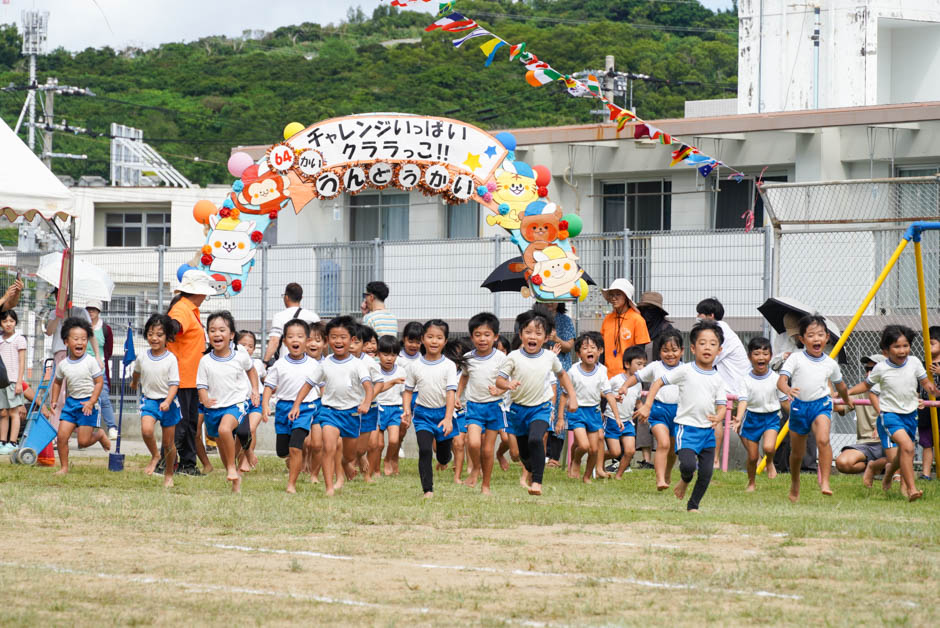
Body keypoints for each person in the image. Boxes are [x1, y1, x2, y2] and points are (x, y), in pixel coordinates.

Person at [636, 320, 727, 512]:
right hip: (686, 429)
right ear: (693, 348)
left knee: (706, 473)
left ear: (719, 350)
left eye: (712, 344)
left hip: (707, 433)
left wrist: (719, 417)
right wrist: (647, 405)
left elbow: (722, 405)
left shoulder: (718, 378)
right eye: (702, 343)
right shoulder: (685, 370)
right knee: (687, 466)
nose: (707, 347)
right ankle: (685, 479)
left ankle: (693, 505)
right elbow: (658, 382)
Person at [849, 325, 939, 502]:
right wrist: (845, 393)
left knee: (901, 455)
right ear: (886, 350)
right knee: (908, 448)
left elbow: (925, 381)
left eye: (905, 346)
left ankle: (884, 472)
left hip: (910, 415)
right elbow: (866, 387)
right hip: (890, 415)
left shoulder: (914, 362)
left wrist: (931, 389)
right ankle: (911, 489)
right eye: (897, 347)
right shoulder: (881, 368)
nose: (902, 350)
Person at [496, 310, 577, 496]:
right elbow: (499, 381)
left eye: (538, 333)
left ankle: (537, 483)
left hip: (541, 408)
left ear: (546, 337)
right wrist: (507, 384)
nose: (533, 336)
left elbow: (562, 375)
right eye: (528, 332)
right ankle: (532, 468)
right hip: (517, 410)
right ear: (521, 334)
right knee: (523, 454)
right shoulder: (513, 357)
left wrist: (572, 396)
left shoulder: (550, 357)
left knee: (536, 439)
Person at [293, 316, 374, 496]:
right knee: (328, 447)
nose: (338, 341)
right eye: (334, 337)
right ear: (328, 340)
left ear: (352, 340)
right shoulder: (324, 364)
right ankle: (329, 487)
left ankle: (345, 464)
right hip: (329, 411)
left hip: (352, 413)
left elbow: (368, 387)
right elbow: (307, 385)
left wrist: (366, 402)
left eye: (343, 337)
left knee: (350, 455)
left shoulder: (358, 364)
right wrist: (296, 405)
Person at [778, 314, 853, 502]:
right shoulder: (795, 359)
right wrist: (788, 389)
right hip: (799, 408)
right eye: (811, 335)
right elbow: (781, 381)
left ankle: (825, 482)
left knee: (823, 440)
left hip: (821, 405)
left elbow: (841, 385)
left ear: (827, 337)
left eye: (820, 334)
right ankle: (795, 483)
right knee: (797, 453)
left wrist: (847, 400)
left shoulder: (830, 363)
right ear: (802, 339)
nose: (816, 339)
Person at [196, 311, 259, 493]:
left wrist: (255, 390)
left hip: (236, 403)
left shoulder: (240, 356)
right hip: (214, 408)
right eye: (212, 330)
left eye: (222, 330)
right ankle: (234, 478)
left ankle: (233, 467)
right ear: (208, 335)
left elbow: (251, 371)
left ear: (231, 335)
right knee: (223, 447)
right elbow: (201, 384)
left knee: (225, 429)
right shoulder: (205, 361)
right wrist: (204, 398)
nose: (217, 334)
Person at [162, 269, 214, 477]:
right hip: (181, 378)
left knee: (189, 425)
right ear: (198, 292)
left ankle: (187, 465)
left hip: (191, 378)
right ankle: (166, 464)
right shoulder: (182, 308)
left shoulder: (190, 309)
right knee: (182, 426)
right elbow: (173, 326)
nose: (206, 296)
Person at [618, 328, 684, 490]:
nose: (670, 354)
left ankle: (667, 472)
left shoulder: (686, 369)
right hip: (659, 411)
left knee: (672, 449)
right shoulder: (655, 367)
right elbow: (637, 377)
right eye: (665, 351)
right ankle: (660, 479)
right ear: (659, 352)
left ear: (682, 351)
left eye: (674, 350)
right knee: (663, 443)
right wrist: (625, 386)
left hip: (679, 413)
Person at [45, 317, 111, 474]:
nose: (80, 342)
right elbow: (57, 382)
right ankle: (64, 468)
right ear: (66, 342)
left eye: (83, 339)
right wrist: (53, 401)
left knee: (83, 442)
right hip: (71, 404)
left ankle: (100, 435)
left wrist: (91, 401)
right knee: (61, 437)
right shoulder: (63, 364)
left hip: (88, 404)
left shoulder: (91, 361)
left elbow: (99, 383)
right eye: (75, 339)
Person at [265, 318, 322, 494]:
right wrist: (265, 405)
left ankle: (292, 484)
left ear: (307, 340)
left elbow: (322, 385)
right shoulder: (280, 364)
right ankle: (294, 462)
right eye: (290, 337)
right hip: (283, 408)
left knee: (296, 446)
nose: (295, 340)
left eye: (300, 336)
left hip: (306, 408)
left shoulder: (314, 364)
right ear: (284, 342)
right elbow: (269, 386)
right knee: (283, 451)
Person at [402, 319, 457, 498]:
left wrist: (448, 418)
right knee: (425, 450)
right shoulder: (415, 366)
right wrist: (406, 410)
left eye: (439, 337)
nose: (434, 341)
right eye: (430, 337)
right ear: (423, 339)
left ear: (445, 341)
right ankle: (428, 489)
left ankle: (444, 459)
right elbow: (408, 391)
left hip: (443, 414)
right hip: (423, 415)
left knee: (442, 456)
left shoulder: (449, 365)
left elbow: (451, 393)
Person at [696, 297, 749, 468]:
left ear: (711, 316)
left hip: (734, 389)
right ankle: (760, 461)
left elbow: (709, 359)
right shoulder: (721, 331)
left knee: (715, 417)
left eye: (700, 315)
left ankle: (715, 460)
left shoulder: (720, 333)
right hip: (735, 388)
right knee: (740, 428)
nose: (697, 318)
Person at [458, 312, 507, 494]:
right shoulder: (468, 357)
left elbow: (507, 382)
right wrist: (457, 395)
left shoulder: (501, 359)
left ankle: (486, 484)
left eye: (487, 335)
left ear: (495, 337)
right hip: (473, 406)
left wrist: (500, 390)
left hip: (494, 407)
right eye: (477, 335)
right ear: (471, 337)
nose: (482, 339)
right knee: (473, 443)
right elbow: (464, 377)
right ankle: (475, 469)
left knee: (487, 450)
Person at [733, 337, 790, 491]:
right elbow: (743, 401)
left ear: (770, 356)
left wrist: (796, 415)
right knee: (752, 457)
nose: (761, 357)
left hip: (771, 417)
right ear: (749, 357)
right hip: (752, 418)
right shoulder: (745, 380)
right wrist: (738, 418)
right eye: (757, 354)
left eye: (765, 354)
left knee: (769, 447)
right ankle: (751, 482)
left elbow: (784, 401)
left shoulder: (776, 379)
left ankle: (769, 462)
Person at [130, 313, 180, 488]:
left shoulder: (171, 359)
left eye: (159, 334)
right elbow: (136, 371)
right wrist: (134, 382)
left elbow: (174, 385)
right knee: (146, 430)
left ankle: (168, 474)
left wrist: (167, 400)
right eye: (151, 334)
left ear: (167, 336)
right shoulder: (143, 356)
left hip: (169, 403)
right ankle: (154, 455)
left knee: (168, 443)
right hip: (150, 401)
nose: (154, 338)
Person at [562, 332, 620, 483]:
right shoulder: (573, 371)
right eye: (585, 348)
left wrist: (617, 417)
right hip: (577, 411)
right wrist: (561, 417)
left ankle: (587, 476)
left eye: (593, 347)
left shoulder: (602, 371)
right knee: (584, 445)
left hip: (593, 412)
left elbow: (609, 394)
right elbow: (564, 394)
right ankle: (575, 461)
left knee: (594, 449)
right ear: (578, 354)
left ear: (599, 351)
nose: (590, 350)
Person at [835, 355, 887, 488]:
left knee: (902, 449)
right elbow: (839, 408)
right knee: (842, 463)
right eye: (867, 368)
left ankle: (890, 470)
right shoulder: (859, 393)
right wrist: (831, 387)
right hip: (866, 444)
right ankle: (875, 467)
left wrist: (882, 426)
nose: (869, 372)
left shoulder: (892, 391)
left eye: (874, 369)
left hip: (889, 441)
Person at [605, 345, 646, 479]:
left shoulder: (638, 383)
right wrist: (611, 396)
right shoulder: (616, 380)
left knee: (630, 451)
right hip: (612, 419)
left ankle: (618, 476)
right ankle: (597, 460)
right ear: (627, 364)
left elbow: (638, 401)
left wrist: (643, 410)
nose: (642, 368)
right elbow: (602, 391)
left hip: (628, 422)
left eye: (644, 365)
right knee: (614, 452)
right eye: (639, 364)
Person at [351, 324, 383, 482]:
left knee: (362, 447)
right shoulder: (338, 360)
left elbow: (379, 383)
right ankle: (346, 471)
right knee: (344, 443)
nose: (350, 346)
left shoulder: (369, 363)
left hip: (367, 409)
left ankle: (361, 458)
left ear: (363, 344)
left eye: (356, 342)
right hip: (346, 409)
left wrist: (367, 400)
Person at [600, 279, 650, 378]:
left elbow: (640, 354)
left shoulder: (637, 320)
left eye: (618, 294)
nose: (614, 298)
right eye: (611, 295)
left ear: (626, 297)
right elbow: (602, 350)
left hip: (628, 377)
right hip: (607, 375)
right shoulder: (607, 319)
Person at [85, 300, 119, 442]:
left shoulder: (105, 329)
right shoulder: (82, 327)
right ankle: (87, 427)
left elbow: (108, 350)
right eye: (89, 309)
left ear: (99, 311)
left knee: (103, 397)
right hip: (83, 367)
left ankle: (112, 427)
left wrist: (100, 361)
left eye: (94, 309)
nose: (91, 312)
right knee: (84, 397)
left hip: (99, 367)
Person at [263, 282, 320, 364]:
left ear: (286, 297)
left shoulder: (279, 316)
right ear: (301, 297)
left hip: (286, 362)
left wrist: (265, 362)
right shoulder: (313, 317)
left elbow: (274, 341)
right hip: (309, 362)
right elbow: (320, 340)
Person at [375, 335, 406, 476]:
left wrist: (407, 410)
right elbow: (375, 390)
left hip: (395, 409)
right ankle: (375, 468)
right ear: (378, 354)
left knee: (394, 440)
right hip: (378, 409)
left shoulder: (401, 371)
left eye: (393, 355)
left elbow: (405, 392)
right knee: (378, 444)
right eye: (385, 354)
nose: (389, 358)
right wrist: (392, 382)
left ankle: (388, 460)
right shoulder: (374, 370)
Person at [235, 330, 265, 472]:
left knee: (251, 429)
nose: (247, 349)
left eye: (250, 346)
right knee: (241, 433)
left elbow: (265, 379)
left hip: (256, 402)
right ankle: (240, 459)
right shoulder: (233, 363)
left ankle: (246, 460)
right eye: (243, 345)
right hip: (240, 403)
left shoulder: (258, 363)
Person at [0, 310, 26, 454]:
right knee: (3, 412)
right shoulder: (0, 339)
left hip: (13, 381)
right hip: (1, 382)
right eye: (5, 321)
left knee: (14, 412)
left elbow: (22, 362)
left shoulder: (19, 339)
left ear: (15, 322)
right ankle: (2, 441)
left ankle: (13, 442)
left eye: (11, 321)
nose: (8, 324)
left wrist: (18, 382)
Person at [916, 326, 940, 480]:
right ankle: (925, 474)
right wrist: (918, 399)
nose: (928, 347)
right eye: (926, 343)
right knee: (926, 442)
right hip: (925, 408)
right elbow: (918, 386)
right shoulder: (922, 365)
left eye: (932, 343)